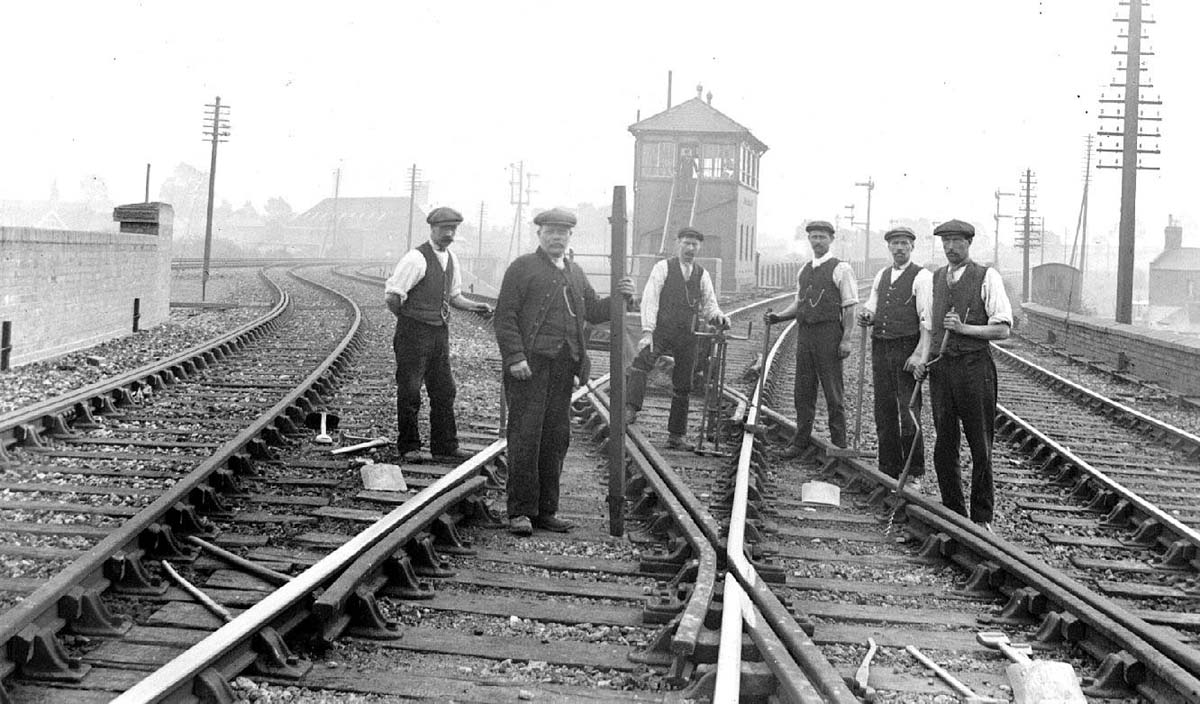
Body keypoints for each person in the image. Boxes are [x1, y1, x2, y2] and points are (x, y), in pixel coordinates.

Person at [494, 207, 636, 536]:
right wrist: (515, 356)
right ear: (540, 235)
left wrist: (621, 296)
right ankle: (520, 512)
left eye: (563, 233)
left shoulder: (575, 273)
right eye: (550, 232)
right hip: (529, 367)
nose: (557, 238)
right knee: (525, 437)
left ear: (570, 237)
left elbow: (596, 311)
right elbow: (505, 316)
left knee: (556, 438)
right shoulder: (522, 268)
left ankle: (546, 511)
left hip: (563, 367)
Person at [384, 207, 493, 463]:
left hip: (438, 332)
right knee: (410, 390)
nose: (449, 234)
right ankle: (409, 446)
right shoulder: (415, 259)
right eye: (444, 229)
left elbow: (454, 297)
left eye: (453, 229)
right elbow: (392, 296)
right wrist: (408, 317)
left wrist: (476, 306)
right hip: (413, 332)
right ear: (432, 228)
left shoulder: (452, 259)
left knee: (444, 389)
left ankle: (444, 445)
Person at [925, 219, 1012, 532]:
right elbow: (930, 327)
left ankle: (981, 518)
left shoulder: (986, 277)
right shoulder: (935, 278)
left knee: (980, 444)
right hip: (943, 369)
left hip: (975, 369)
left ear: (969, 243)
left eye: (956, 242)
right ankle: (953, 511)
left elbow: (1002, 328)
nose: (950, 248)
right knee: (944, 442)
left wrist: (965, 329)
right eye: (945, 242)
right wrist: (925, 359)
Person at [625, 227, 730, 450]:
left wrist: (719, 317)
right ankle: (630, 409)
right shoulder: (662, 268)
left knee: (684, 383)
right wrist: (647, 330)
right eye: (686, 243)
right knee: (641, 363)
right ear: (678, 243)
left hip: (688, 333)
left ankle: (676, 435)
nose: (690, 248)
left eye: (694, 244)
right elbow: (650, 299)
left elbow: (710, 305)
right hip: (662, 329)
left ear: (699, 247)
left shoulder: (702, 274)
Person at [764, 220, 858, 457]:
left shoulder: (841, 269)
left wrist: (846, 339)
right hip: (805, 334)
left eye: (822, 237)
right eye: (814, 237)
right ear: (809, 240)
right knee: (803, 390)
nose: (817, 241)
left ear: (831, 239)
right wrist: (779, 317)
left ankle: (839, 443)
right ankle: (800, 440)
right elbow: (799, 303)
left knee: (832, 390)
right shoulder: (804, 269)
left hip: (829, 333)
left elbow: (849, 308)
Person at [857, 226, 933, 484]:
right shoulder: (882, 274)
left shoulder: (922, 277)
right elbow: (873, 304)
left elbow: (927, 321)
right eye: (894, 244)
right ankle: (888, 467)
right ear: (889, 247)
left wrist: (919, 354)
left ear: (912, 247)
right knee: (883, 408)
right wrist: (868, 314)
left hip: (906, 350)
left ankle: (913, 471)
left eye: (904, 243)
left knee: (909, 409)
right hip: (882, 347)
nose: (899, 248)